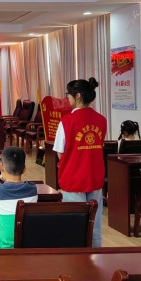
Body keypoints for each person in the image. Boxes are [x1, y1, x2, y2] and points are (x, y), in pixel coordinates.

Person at [53, 77, 107, 248]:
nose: (67, 98)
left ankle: (77, 258)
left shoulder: (66, 121)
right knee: (95, 224)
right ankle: (95, 256)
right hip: (95, 176)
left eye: (68, 94)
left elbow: (60, 153)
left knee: (75, 224)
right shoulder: (101, 120)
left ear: (77, 96)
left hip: (73, 178)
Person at [0, 146, 38, 249]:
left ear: (1, 167)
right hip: (26, 245)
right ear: (24, 169)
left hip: (3, 247)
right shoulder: (32, 189)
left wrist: (3, 178)